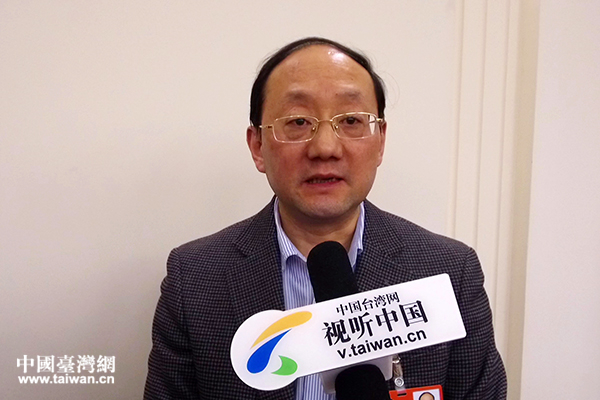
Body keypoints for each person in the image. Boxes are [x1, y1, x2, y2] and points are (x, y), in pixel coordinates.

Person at [144, 37, 507, 400]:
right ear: (257, 146)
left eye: (350, 120)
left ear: (380, 141)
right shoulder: (194, 279)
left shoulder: (449, 273)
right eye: (298, 121)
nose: (325, 148)